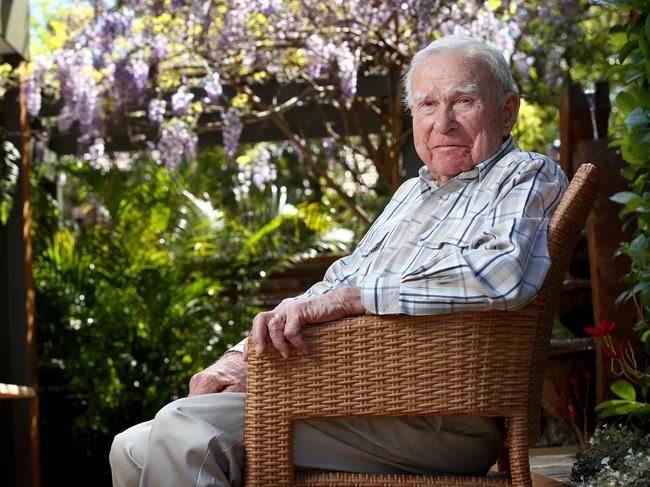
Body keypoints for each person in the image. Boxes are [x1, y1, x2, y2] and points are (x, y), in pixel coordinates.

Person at [110, 35, 568, 486]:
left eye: (463, 101)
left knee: (187, 429)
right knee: (132, 446)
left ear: (508, 110)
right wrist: (238, 359)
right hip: (355, 394)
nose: (442, 122)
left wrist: (353, 300)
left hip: (438, 416)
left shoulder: (525, 173)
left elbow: (501, 273)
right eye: (427, 105)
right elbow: (337, 282)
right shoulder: (413, 192)